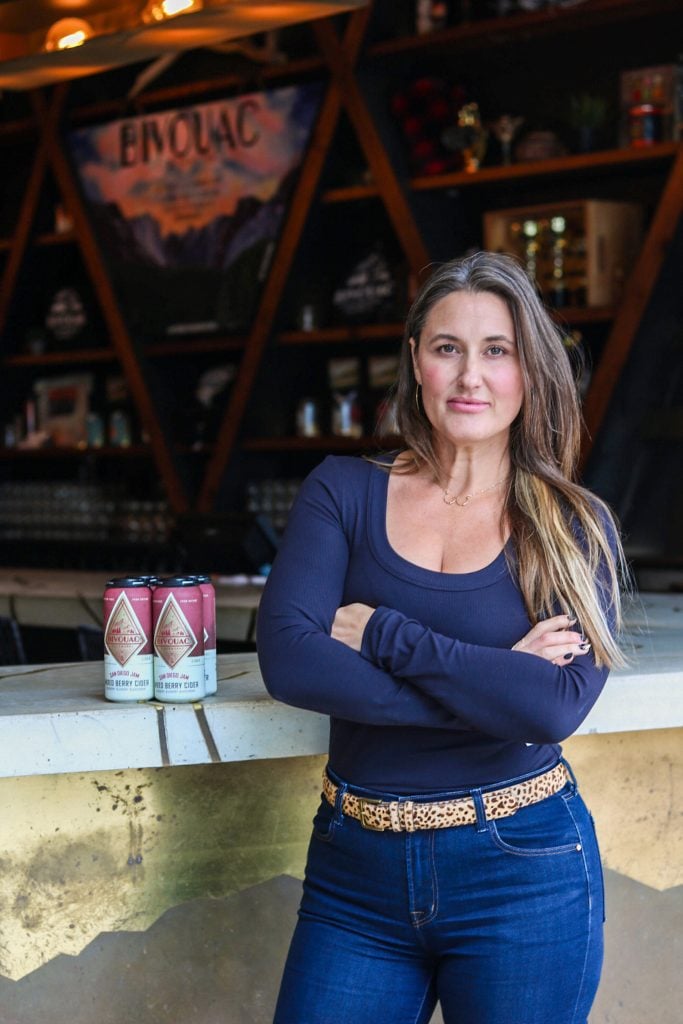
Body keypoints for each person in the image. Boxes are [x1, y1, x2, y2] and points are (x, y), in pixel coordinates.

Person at [256, 250, 627, 1024]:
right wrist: (492, 683)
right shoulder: (342, 491)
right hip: (352, 870)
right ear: (415, 362)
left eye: (497, 351)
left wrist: (385, 633)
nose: (469, 376)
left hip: (522, 871)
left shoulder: (569, 525)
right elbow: (289, 659)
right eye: (446, 348)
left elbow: (552, 710)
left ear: (530, 373)